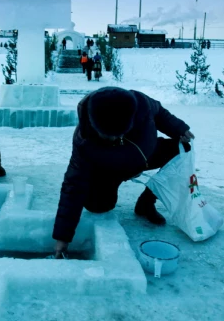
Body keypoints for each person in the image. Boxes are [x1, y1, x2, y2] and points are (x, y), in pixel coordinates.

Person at [51, 87, 195, 259]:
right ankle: (106, 189)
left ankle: (146, 203)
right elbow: (73, 186)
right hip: (109, 172)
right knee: (98, 207)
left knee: (181, 151)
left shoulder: (140, 103)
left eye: (118, 134)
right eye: (106, 136)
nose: (112, 140)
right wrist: (63, 237)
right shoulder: (84, 142)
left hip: (145, 154)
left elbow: (160, 113)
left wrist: (178, 129)